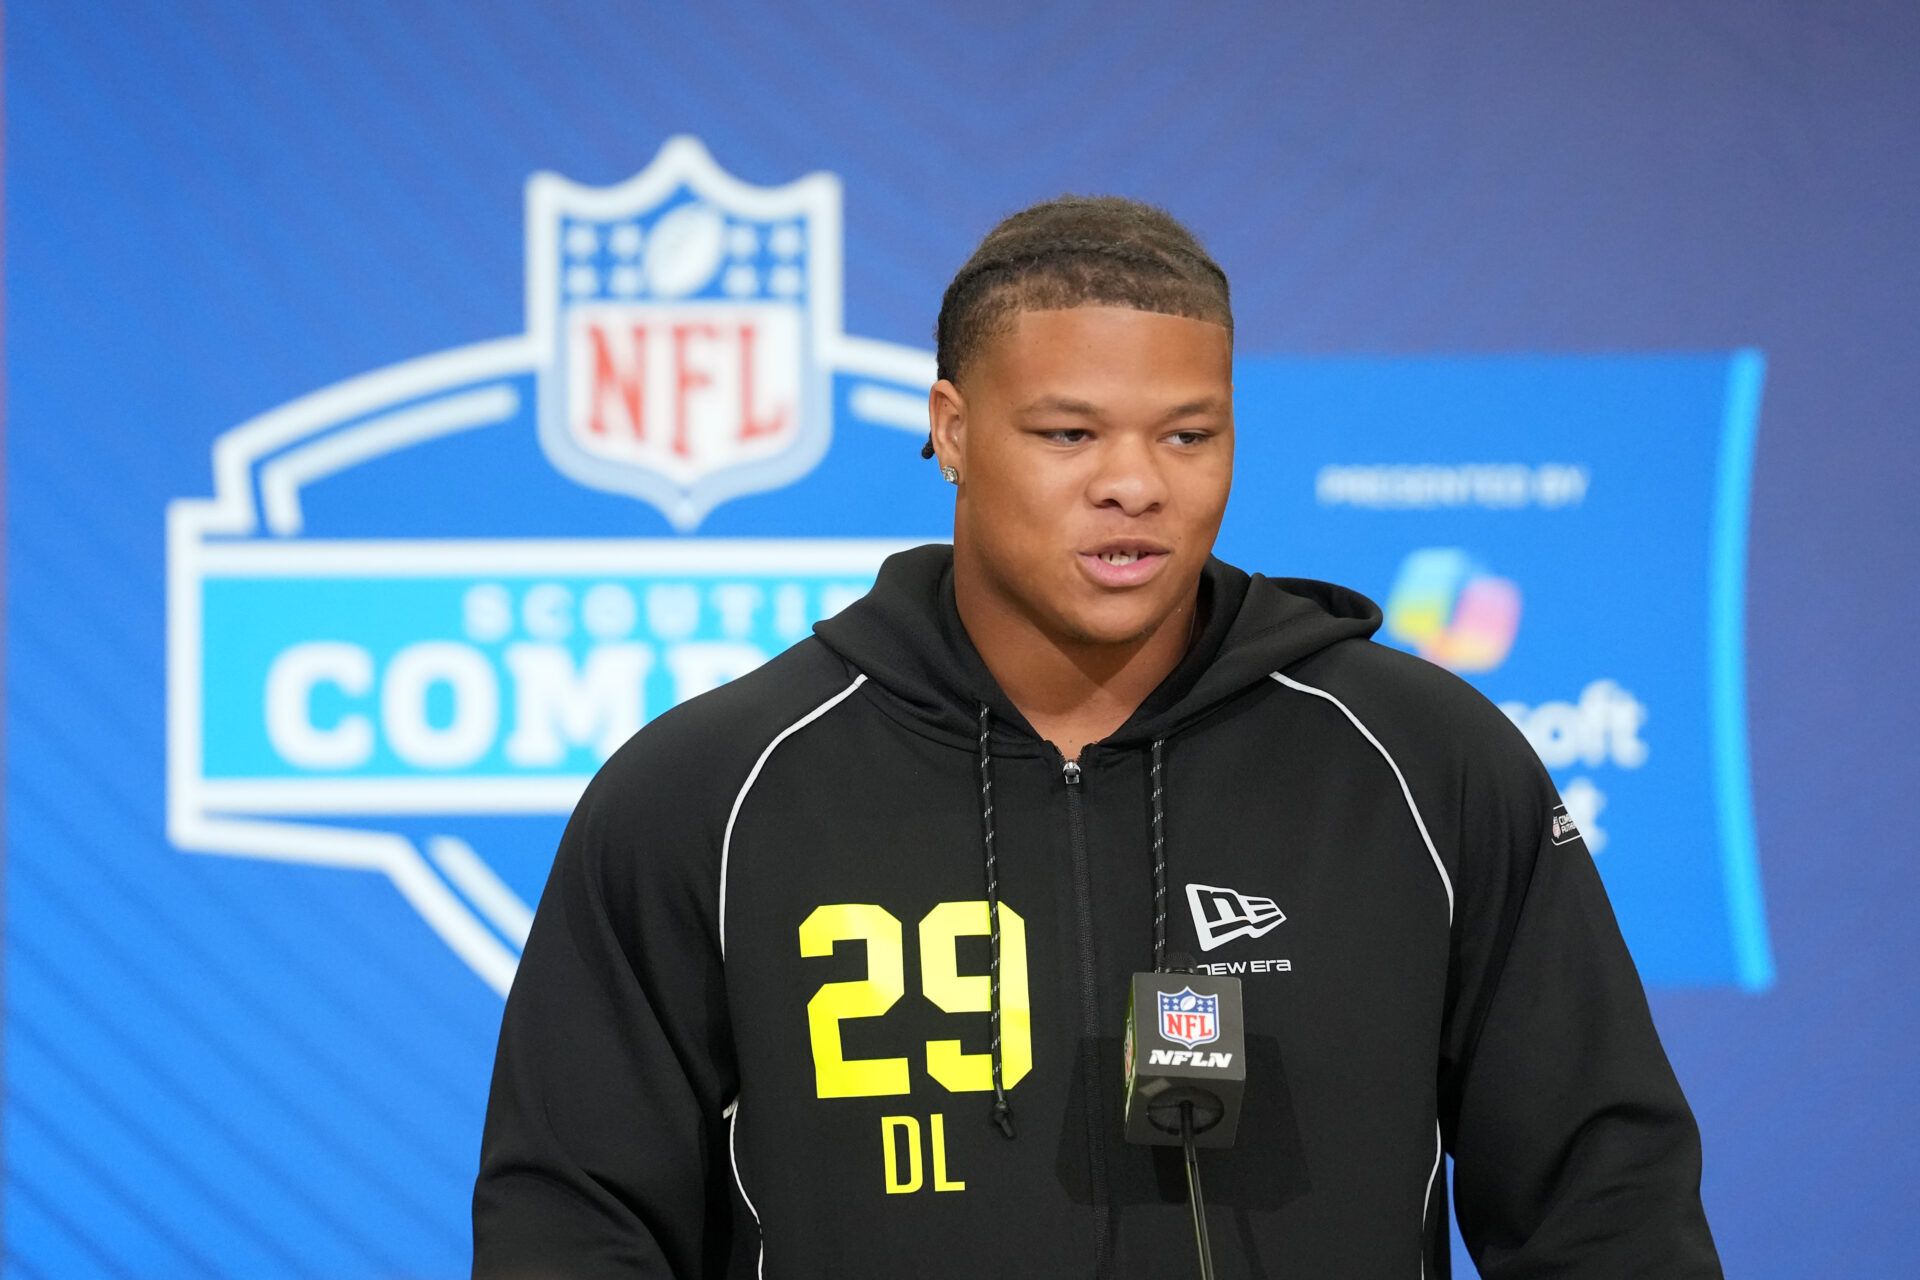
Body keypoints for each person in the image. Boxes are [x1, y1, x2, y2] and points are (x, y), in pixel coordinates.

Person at [472, 197, 1722, 1278]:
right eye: (1069, 434)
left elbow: (1607, 1205)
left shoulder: (1424, 761)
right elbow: (571, 1223)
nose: (1137, 483)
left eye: (1189, 433)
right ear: (952, 430)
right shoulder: (709, 791)